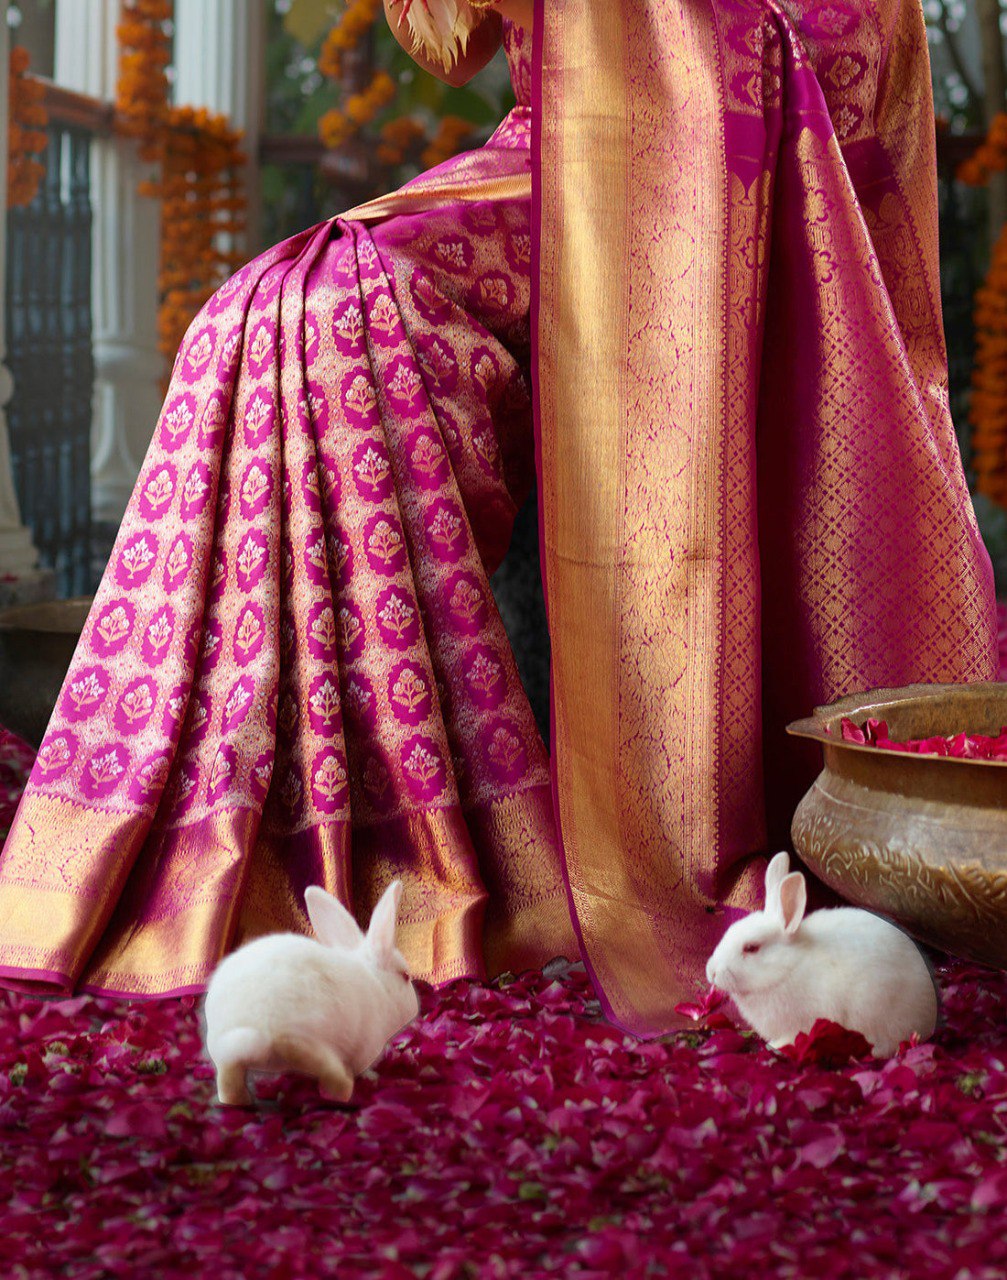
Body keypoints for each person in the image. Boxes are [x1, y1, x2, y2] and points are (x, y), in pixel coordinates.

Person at [0, 0, 995, 1037]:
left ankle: (429, 852)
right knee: (283, 310)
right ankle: (347, 841)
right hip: (570, 159)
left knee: (338, 316)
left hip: (771, 173)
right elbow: (446, 36)